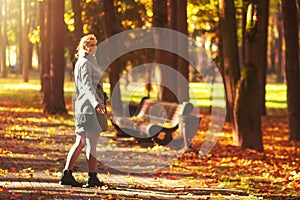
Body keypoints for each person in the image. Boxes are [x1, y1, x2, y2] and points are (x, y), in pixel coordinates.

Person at [60, 34, 108, 187]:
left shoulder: (84, 61)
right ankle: (92, 177)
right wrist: (96, 102)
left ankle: (67, 174)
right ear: (85, 46)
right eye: (92, 45)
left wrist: (102, 96)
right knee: (90, 143)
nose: (95, 47)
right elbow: (87, 86)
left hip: (83, 106)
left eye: (95, 44)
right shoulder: (85, 63)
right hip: (88, 108)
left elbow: (92, 85)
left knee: (80, 142)